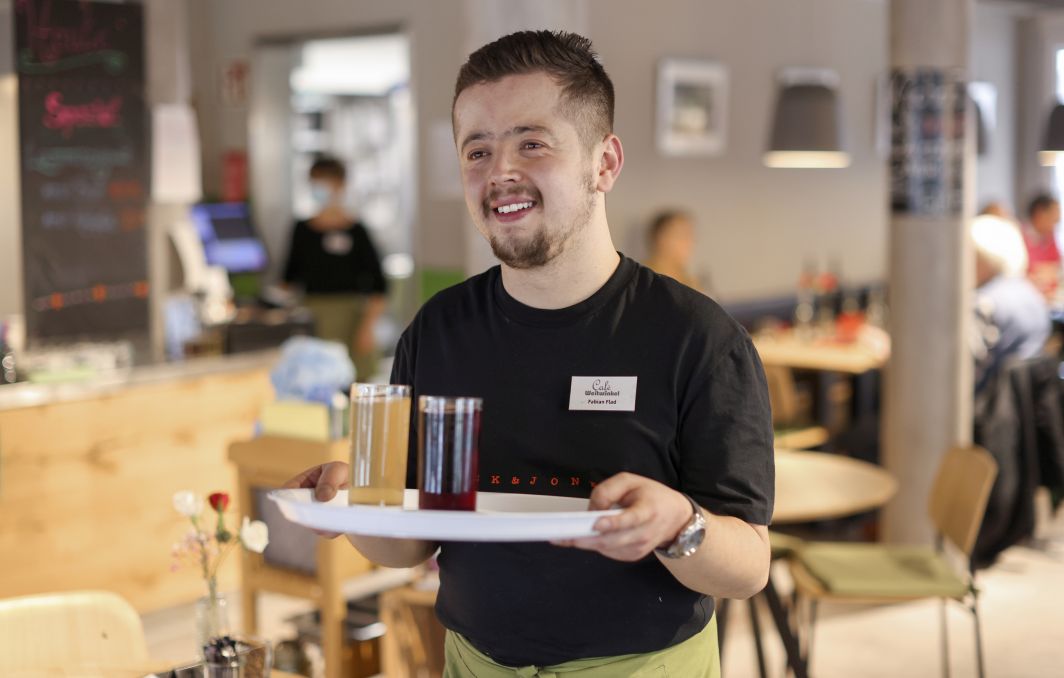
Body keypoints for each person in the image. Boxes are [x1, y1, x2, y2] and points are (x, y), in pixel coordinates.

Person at [285, 31, 773, 677]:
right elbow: (409, 541)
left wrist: (679, 523)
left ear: (604, 163)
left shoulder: (697, 336)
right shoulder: (438, 330)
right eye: (477, 150)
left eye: (532, 143)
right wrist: (352, 511)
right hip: (472, 660)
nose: (500, 172)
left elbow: (748, 569)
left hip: (644, 667)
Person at [282, 157, 387, 380]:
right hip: (312, 320)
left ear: (341, 185)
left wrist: (368, 327)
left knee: (353, 385)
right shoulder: (302, 230)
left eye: (325, 182)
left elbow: (379, 287)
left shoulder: (357, 232)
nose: (319, 189)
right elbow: (288, 279)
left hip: (352, 321)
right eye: (315, 183)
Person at [971, 213, 1051, 396]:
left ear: (984, 257)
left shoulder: (984, 303)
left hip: (993, 409)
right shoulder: (1031, 293)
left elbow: (966, 373)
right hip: (1031, 406)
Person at [643, 209, 703, 292]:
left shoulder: (691, 282)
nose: (689, 242)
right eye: (681, 235)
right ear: (660, 239)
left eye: (690, 235)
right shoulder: (643, 278)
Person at [1020, 193, 1062, 303]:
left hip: (1049, 298)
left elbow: (1057, 265)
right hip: (1028, 298)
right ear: (1040, 213)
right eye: (1054, 217)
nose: (1057, 221)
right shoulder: (1018, 236)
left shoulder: (1050, 237)